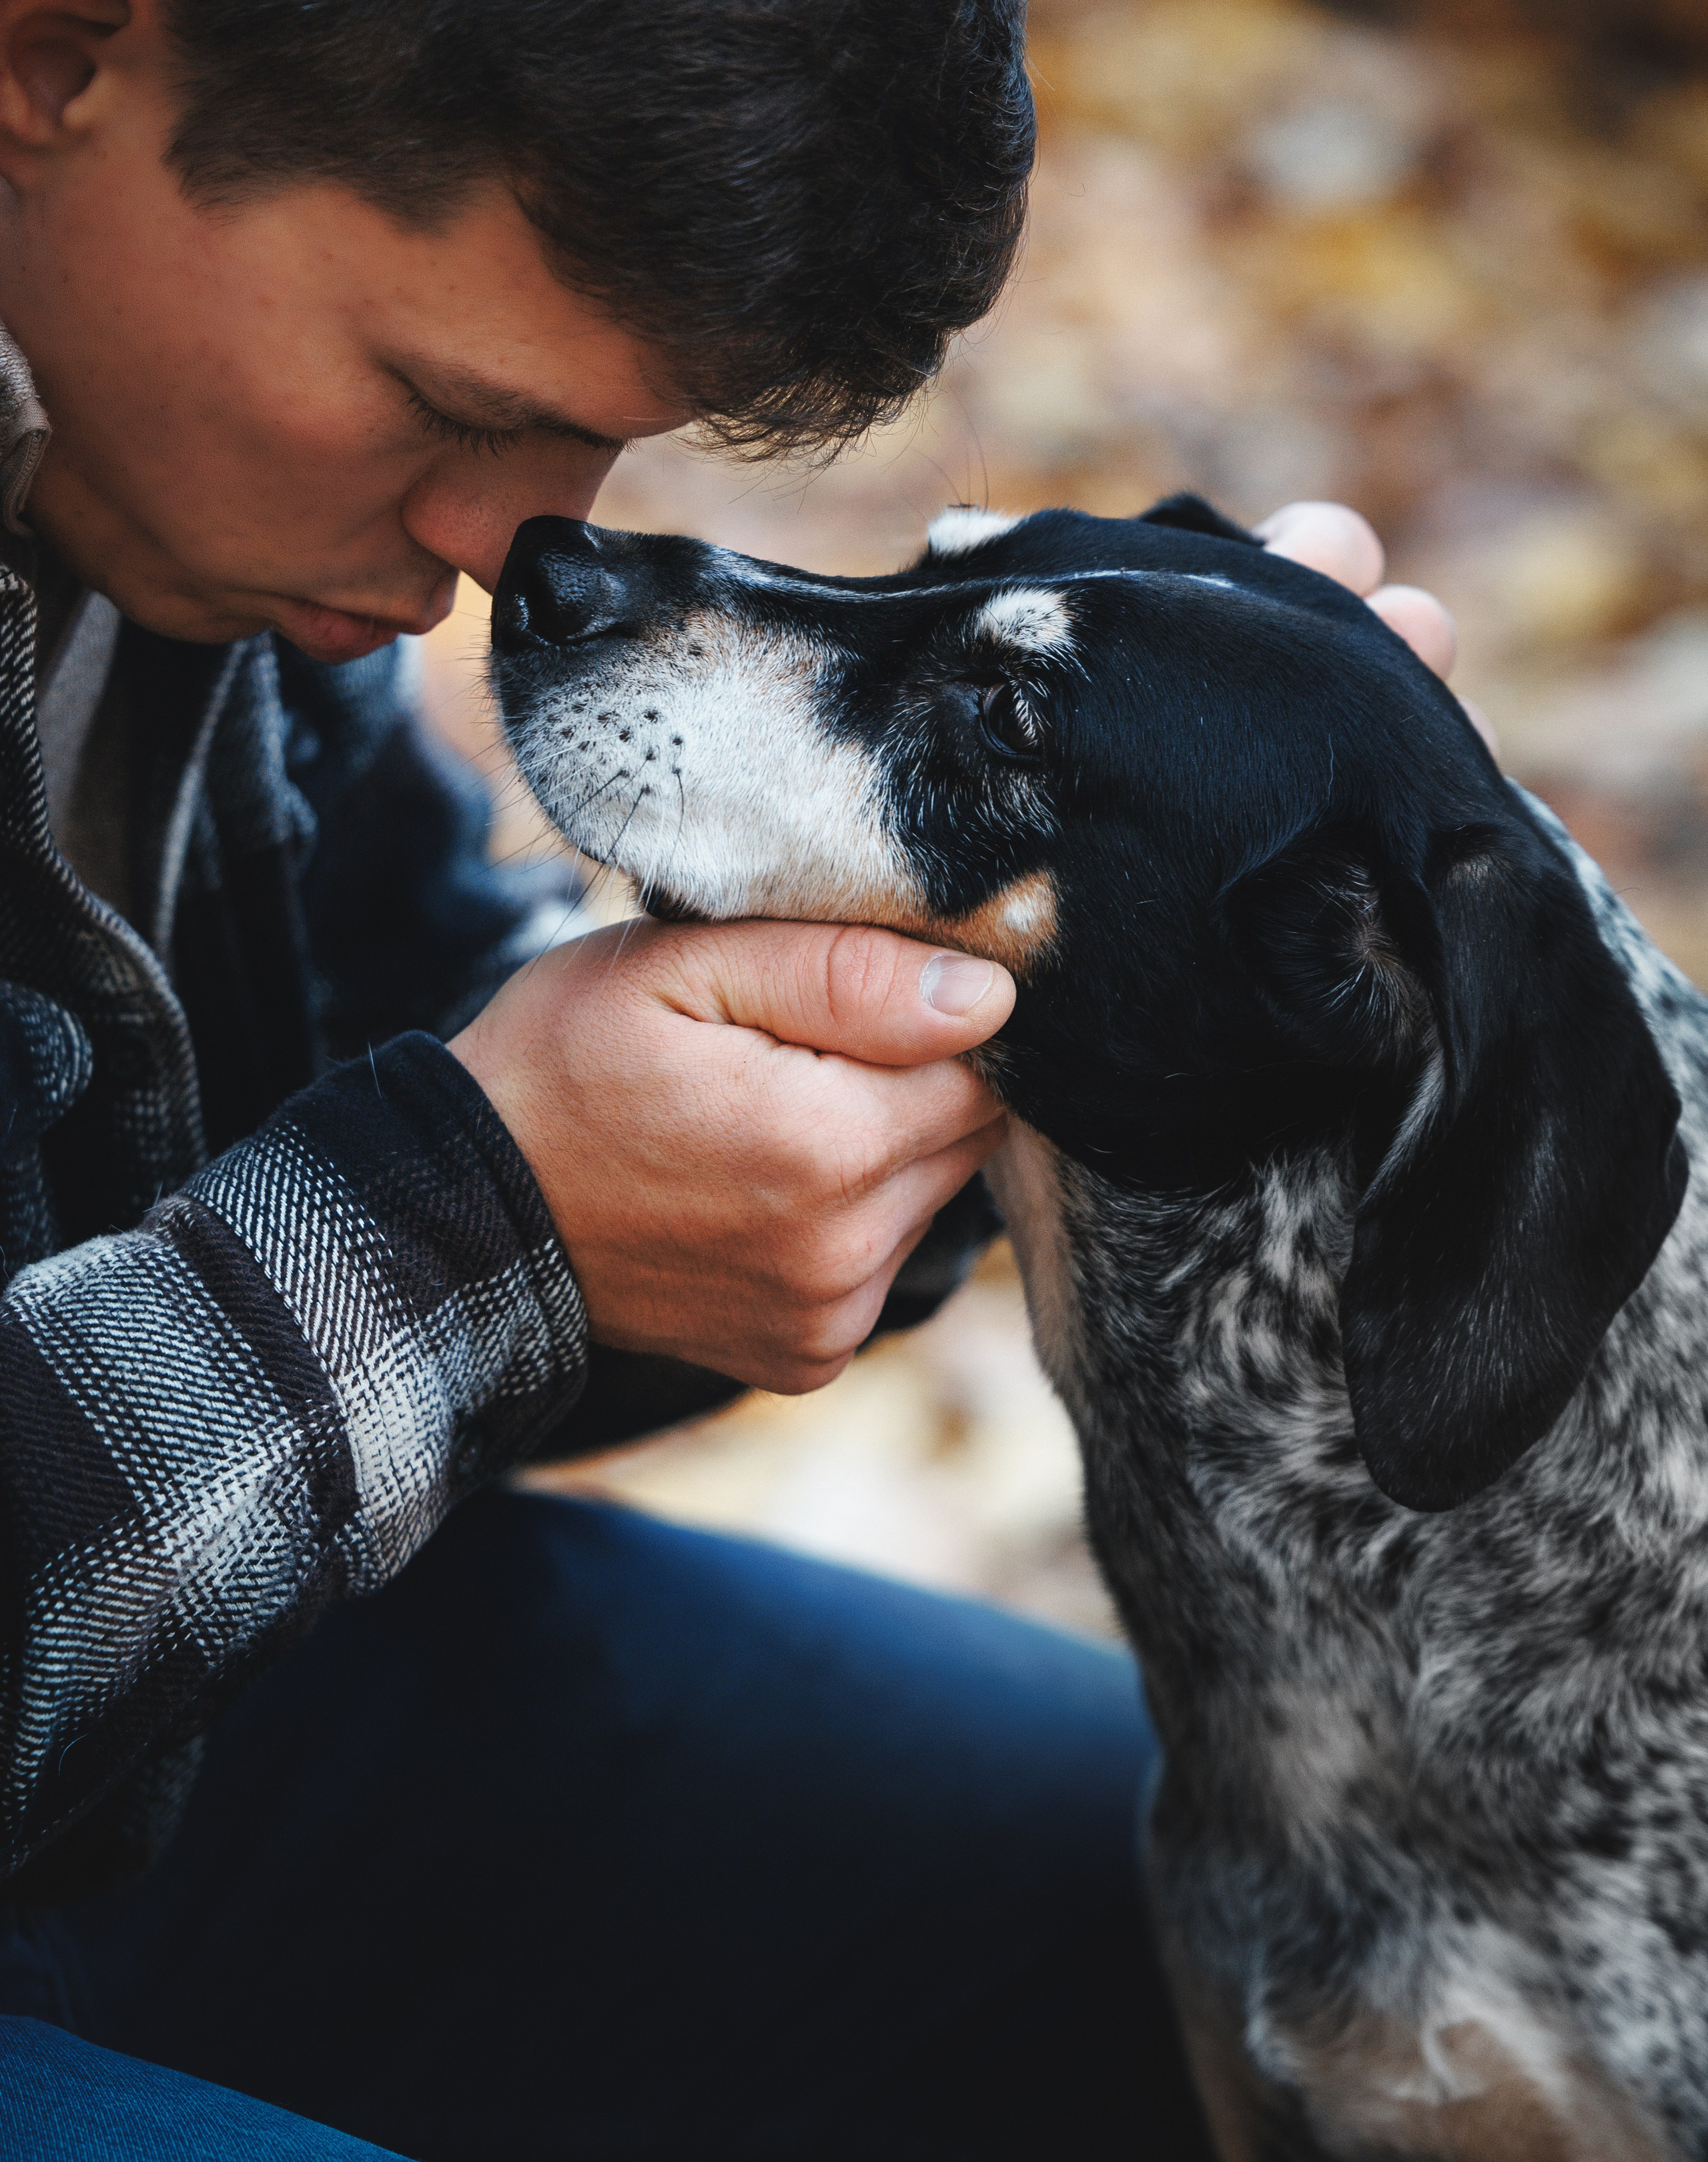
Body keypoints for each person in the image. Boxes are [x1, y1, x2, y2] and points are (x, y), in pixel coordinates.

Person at [0, 1, 1461, 2155]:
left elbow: (421, 1047)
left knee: (1250, 1941)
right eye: (446, 402)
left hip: (173, 1729)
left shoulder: (164, 487)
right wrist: (462, 1237)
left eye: (595, 448)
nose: (511, 546)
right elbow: (446, 1195)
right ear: (53, 60)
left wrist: (1018, 988)